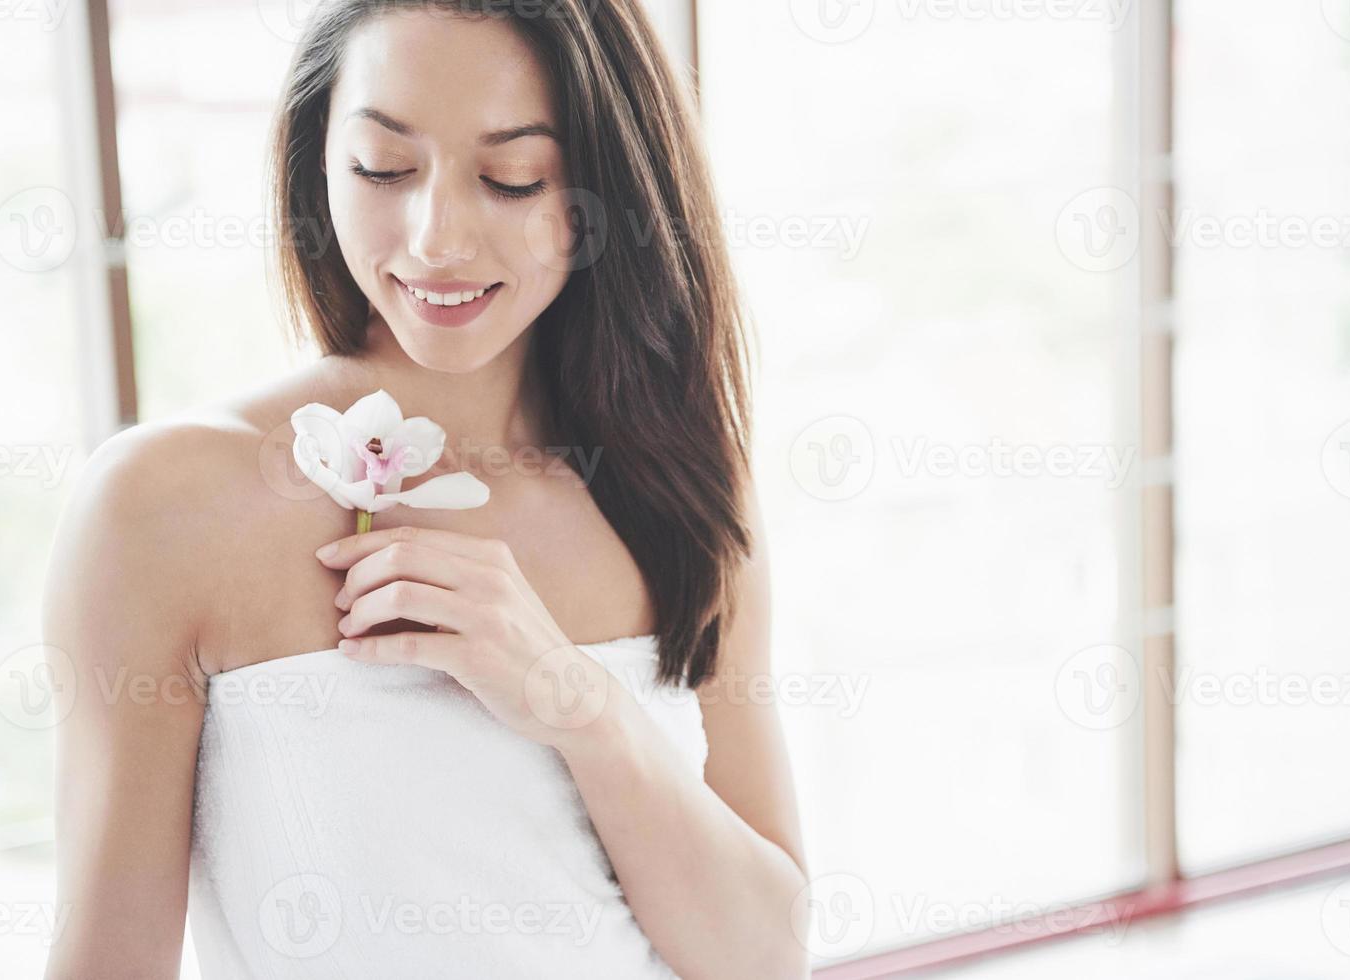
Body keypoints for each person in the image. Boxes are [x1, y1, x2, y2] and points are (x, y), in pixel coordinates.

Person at [42, 2, 809, 977]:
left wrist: (572, 698)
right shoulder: (164, 508)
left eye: (510, 177)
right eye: (383, 168)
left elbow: (765, 957)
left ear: (602, 188)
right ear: (317, 162)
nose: (437, 237)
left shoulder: (677, 487)